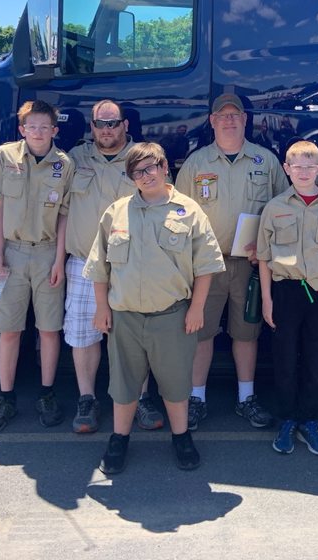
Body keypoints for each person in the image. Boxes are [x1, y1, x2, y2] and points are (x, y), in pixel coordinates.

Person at [86, 142, 225, 474]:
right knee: (123, 384)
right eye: (137, 171)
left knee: (176, 384)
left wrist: (197, 309)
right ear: (131, 177)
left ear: (165, 167)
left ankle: (181, 438)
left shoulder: (189, 211)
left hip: (172, 316)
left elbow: (205, 266)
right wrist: (101, 307)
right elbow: (99, 266)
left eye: (151, 168)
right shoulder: (116, 211)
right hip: (125, 316)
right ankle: (119, 439)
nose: (146, 176)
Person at [175, 93, 288, 431]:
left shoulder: (265, 161)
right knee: (201, 333)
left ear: (244, 120)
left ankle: (246, 398)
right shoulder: (197, 163)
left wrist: (266, 247)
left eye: (235, 115)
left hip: (248, 266)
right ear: (212, 121)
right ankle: (196, 398)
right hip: (206, 267)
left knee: (246, 333)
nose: (228, 120)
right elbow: (179, 215)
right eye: (222, 115)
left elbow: (283, 209)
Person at [65, 99, 160, 434]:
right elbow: (61, 210)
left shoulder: (145, 159)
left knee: (134, 337)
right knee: (83, 335)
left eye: (113, 123)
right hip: (82, 262)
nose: (106, 130)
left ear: (125, 126)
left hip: (131, 262)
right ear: (92, 128)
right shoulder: (74, 160)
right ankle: (87, 399)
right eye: (100, 124)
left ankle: (142, 398)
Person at [0, 99, 74, 433]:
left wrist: (60, 260)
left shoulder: (64, 164)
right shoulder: (5, 157)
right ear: (22, 129)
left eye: (44, 127)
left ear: (54, 130)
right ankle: (6, 398)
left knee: (49, 330)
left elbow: (64, 216)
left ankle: (47, 394)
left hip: (48, 253)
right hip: (13, 255)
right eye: (31, 126)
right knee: (9, 330)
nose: (37, 132)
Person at [256, 141, 318, 456]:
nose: (302, 172)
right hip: (285, 290)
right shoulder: (274, 207)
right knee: (284, 358)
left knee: (315, 359)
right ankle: (287, 419)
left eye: (309, 166)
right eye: (296, 166)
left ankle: (309, 420)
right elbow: (263, 256)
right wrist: (267, 299)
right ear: (286, 168)